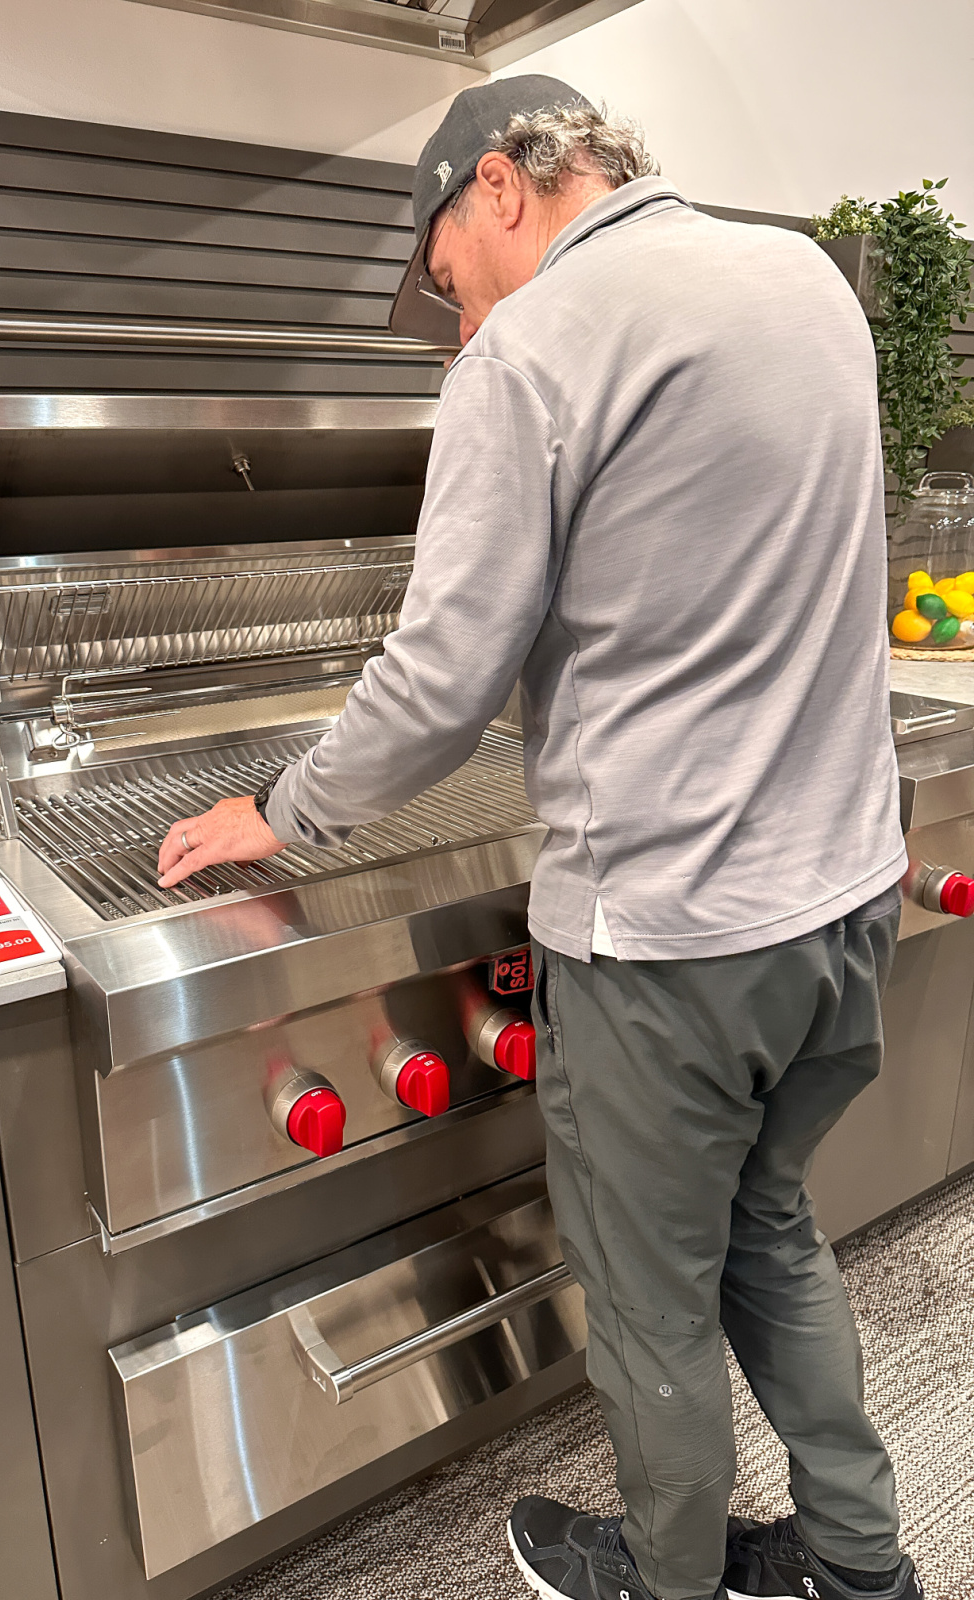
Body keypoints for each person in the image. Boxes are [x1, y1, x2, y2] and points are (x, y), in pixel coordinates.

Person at [155, 76, 923, 1600]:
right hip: (844, 904)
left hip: (671, 947)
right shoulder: (804, 283)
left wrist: (278, 809)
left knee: (649, 1302)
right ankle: (860, 1566)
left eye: (451, 281)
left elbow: (441, 683)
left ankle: (666, 1573)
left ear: (499, 184)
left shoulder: (532, 350)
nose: (463, 324)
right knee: (769, 1228)